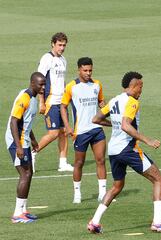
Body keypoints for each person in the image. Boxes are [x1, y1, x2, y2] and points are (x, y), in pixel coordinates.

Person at [87, 71, 161, 234]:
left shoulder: (114, 100)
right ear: (134, 86)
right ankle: (157, 222)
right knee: (158, 179)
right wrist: (146, 140)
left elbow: (96, 119)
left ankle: (94, 221)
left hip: (113, 150)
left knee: (117, 186)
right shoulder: (132, 102)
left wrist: (113, 124)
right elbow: (126, 125)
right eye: (140, 87)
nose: (141, 90)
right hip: (127, 149)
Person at [60, 57, 107, 203]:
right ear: (79, 69)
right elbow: (63, 106)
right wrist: (67, 126)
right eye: (85, 70)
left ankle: (103, 193)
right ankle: (77, 194)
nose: (88, 73)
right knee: (79, 163)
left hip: (97, 129)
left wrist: (105, 108)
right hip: (80, 131)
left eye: (90, 70)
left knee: (101, 160)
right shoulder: (71, 86)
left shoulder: (97, 84)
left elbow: (101, 102)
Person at [5, 72, 46, 223]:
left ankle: (23, 210)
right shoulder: (24, 98)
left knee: (29, 173)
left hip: (25, 140)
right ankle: (17, 214)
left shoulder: (33, 98)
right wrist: (18, 146)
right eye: (41, 84)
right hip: (17, 141)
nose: (43, 87)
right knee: (25, 174)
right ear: (32, 83)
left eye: (44, 84)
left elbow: (26, 123)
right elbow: (14, 122)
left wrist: (33, 140)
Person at [33, 32, 73, 172]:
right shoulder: (46, 59)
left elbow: (62, 81)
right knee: (54, 133)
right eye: (59, 45)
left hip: (61, 102)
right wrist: (41, 102)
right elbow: (39, 81)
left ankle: (63, 163)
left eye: (64, 45)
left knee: (63, 132)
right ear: (53, 44)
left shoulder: (63, 60)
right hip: (50, 102)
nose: (62, 48)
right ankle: (32, 153)